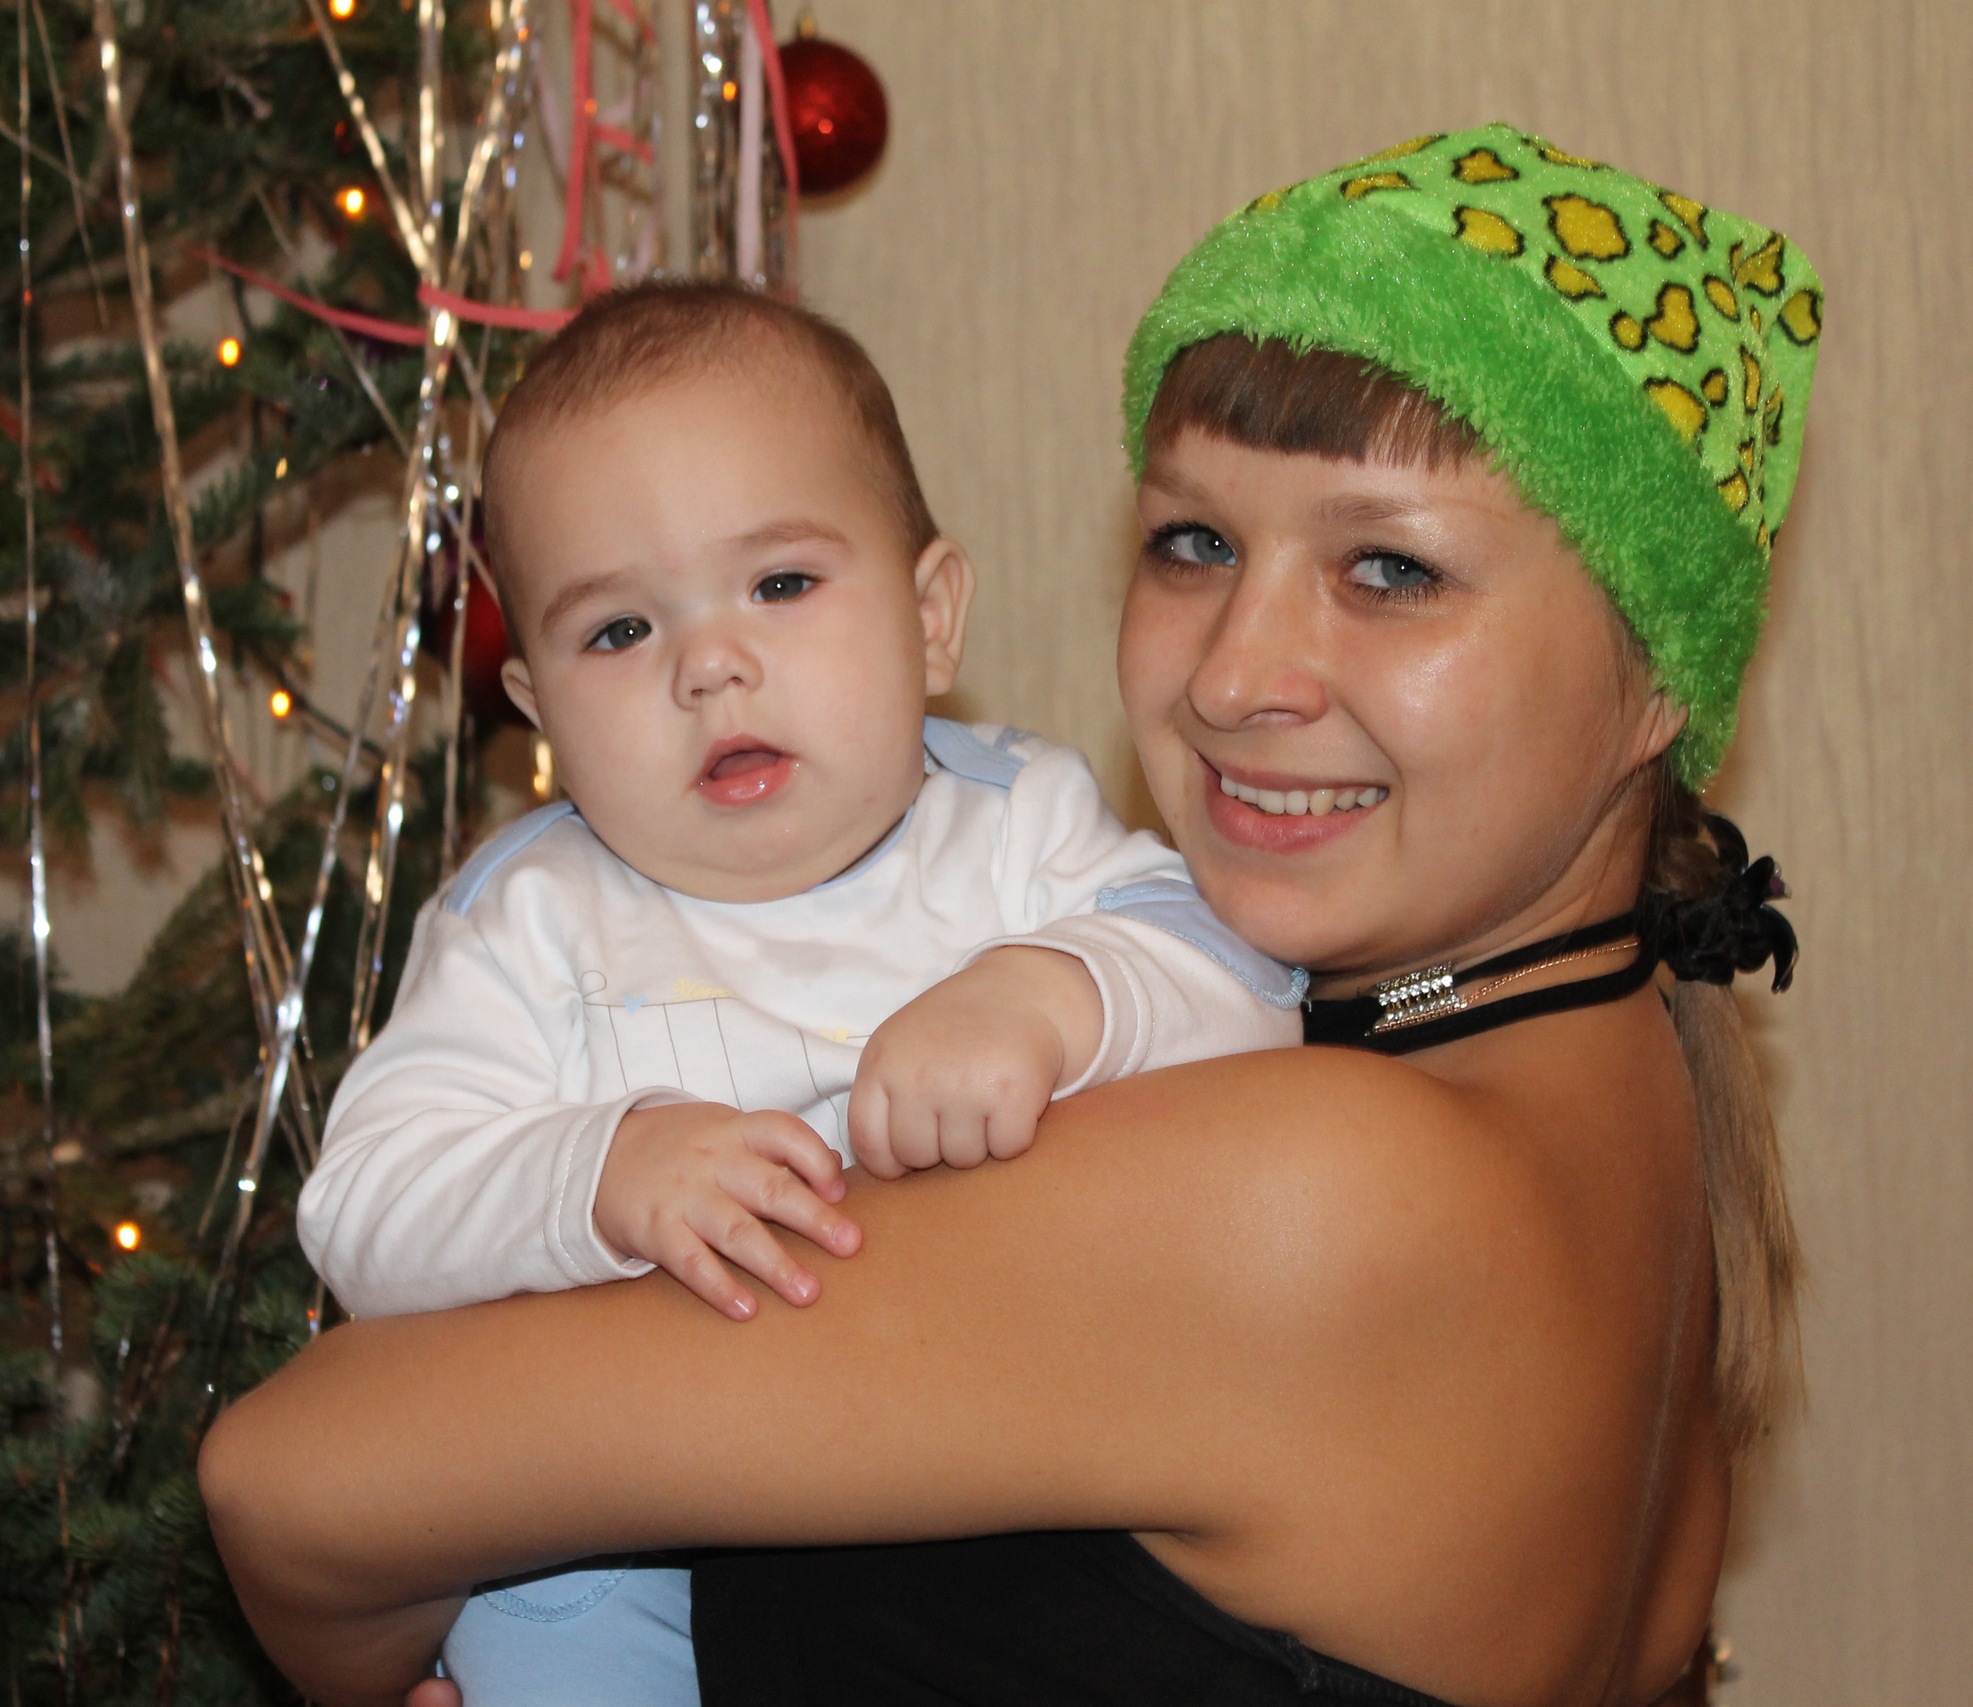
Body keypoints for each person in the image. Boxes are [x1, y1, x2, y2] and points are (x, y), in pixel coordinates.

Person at [203, 123, 1819, 1707]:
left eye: (1391, 569)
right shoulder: (1636, 1110)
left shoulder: (1316, 1187)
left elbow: (289, 1481)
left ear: (1657, 678)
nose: (1234, 675)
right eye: (1194, 542)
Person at [296, 283, 1302, 1706]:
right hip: (623, 1530)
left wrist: (1049, 995)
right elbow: (362, 1206)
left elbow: (1248, 977)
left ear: (930, 616)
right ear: (538, 711)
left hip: (985, 1490)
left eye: (780, 585)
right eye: (618, 632)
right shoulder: (528, 918)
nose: (710, 665)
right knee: (537, 1627)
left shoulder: (1014, 827)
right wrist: (598, 1169)